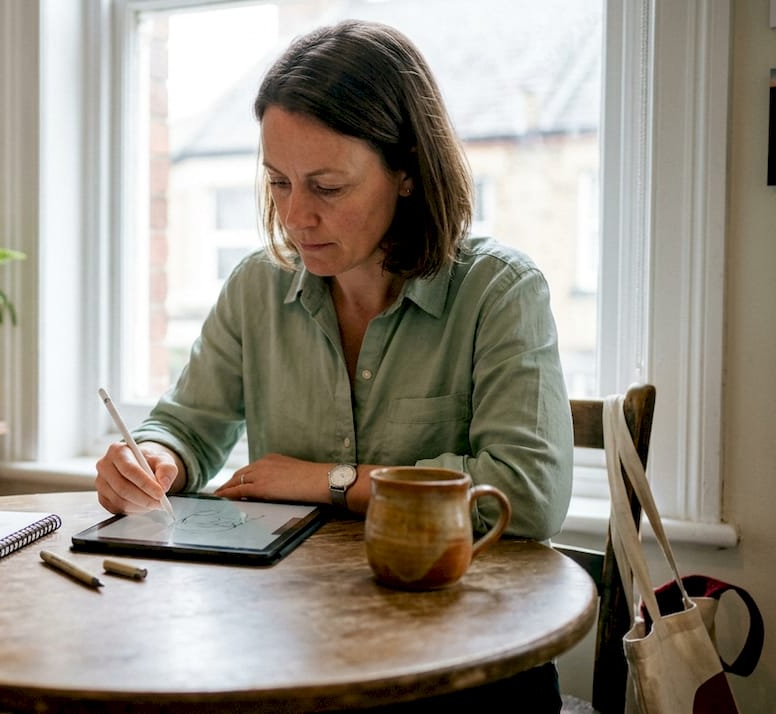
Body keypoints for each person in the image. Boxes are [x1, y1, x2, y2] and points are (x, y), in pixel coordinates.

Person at [95, 19, 572, 712]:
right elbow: (187, 426)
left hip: (463, 663)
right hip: (295, 648)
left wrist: (330, 482)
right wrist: (156, 458)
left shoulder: (500, 291)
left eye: (326, 186)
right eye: (279, 182)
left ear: (407, 171)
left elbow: (527, 494)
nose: (295, 216)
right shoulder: (258, 287)